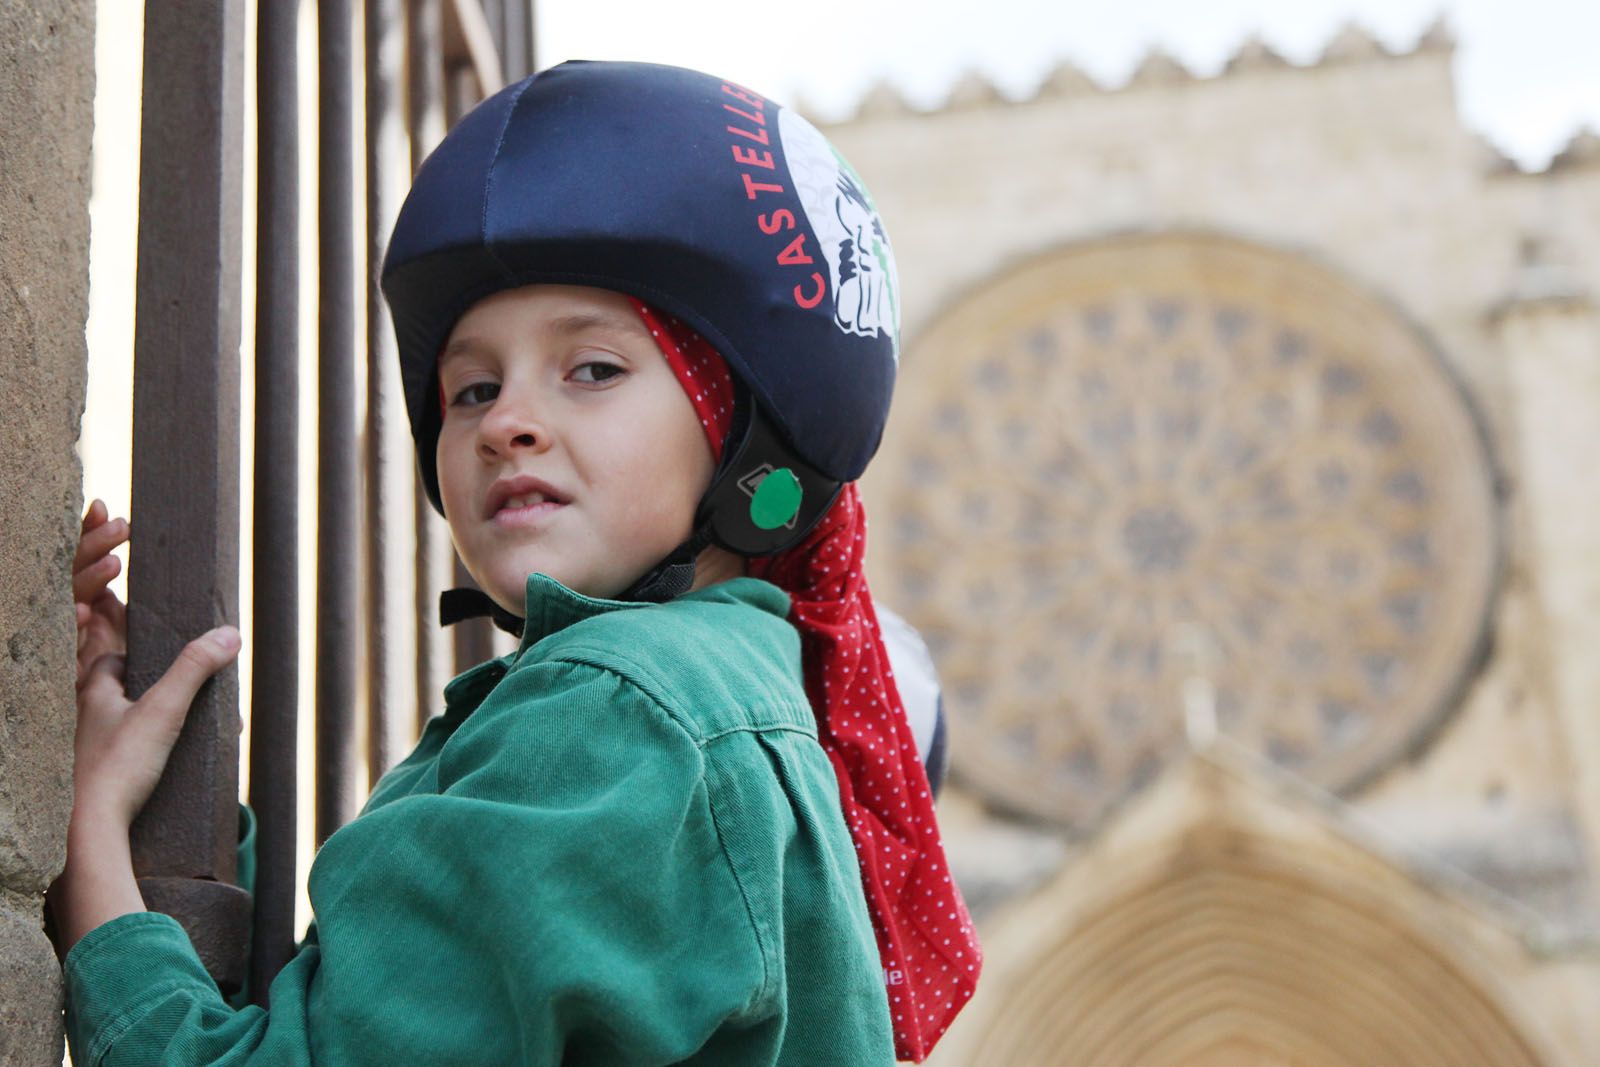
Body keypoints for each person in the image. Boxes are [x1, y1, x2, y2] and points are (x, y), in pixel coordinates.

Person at [54, 60, 979, 1065]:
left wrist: (90, 828)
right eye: (471, 388)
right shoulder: (728, 702)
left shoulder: (624, 714)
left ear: (741, 430)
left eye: (592, 369)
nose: (509, 423)